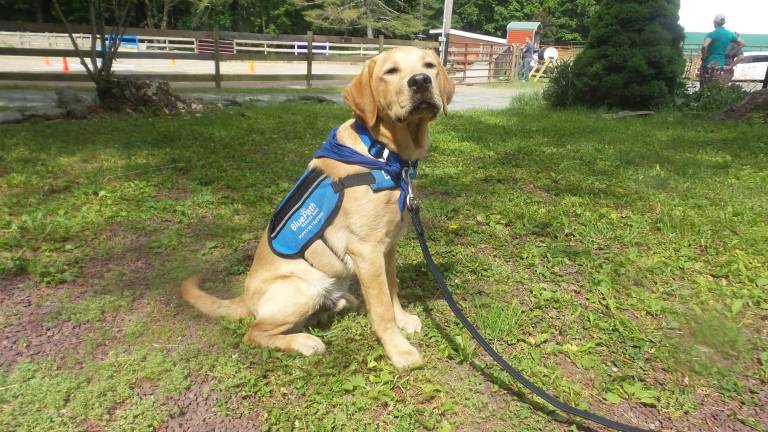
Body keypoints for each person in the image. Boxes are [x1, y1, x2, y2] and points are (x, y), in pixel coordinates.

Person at [700, 14, 744, 85]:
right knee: (718, 88)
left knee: (705, 87)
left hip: (708, 64)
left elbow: (704, 47)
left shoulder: (712, 34)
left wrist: (704, 57)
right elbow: (743, 44)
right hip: (721, 65)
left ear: (714, 22)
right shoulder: (730, 35)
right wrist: (732, 53)